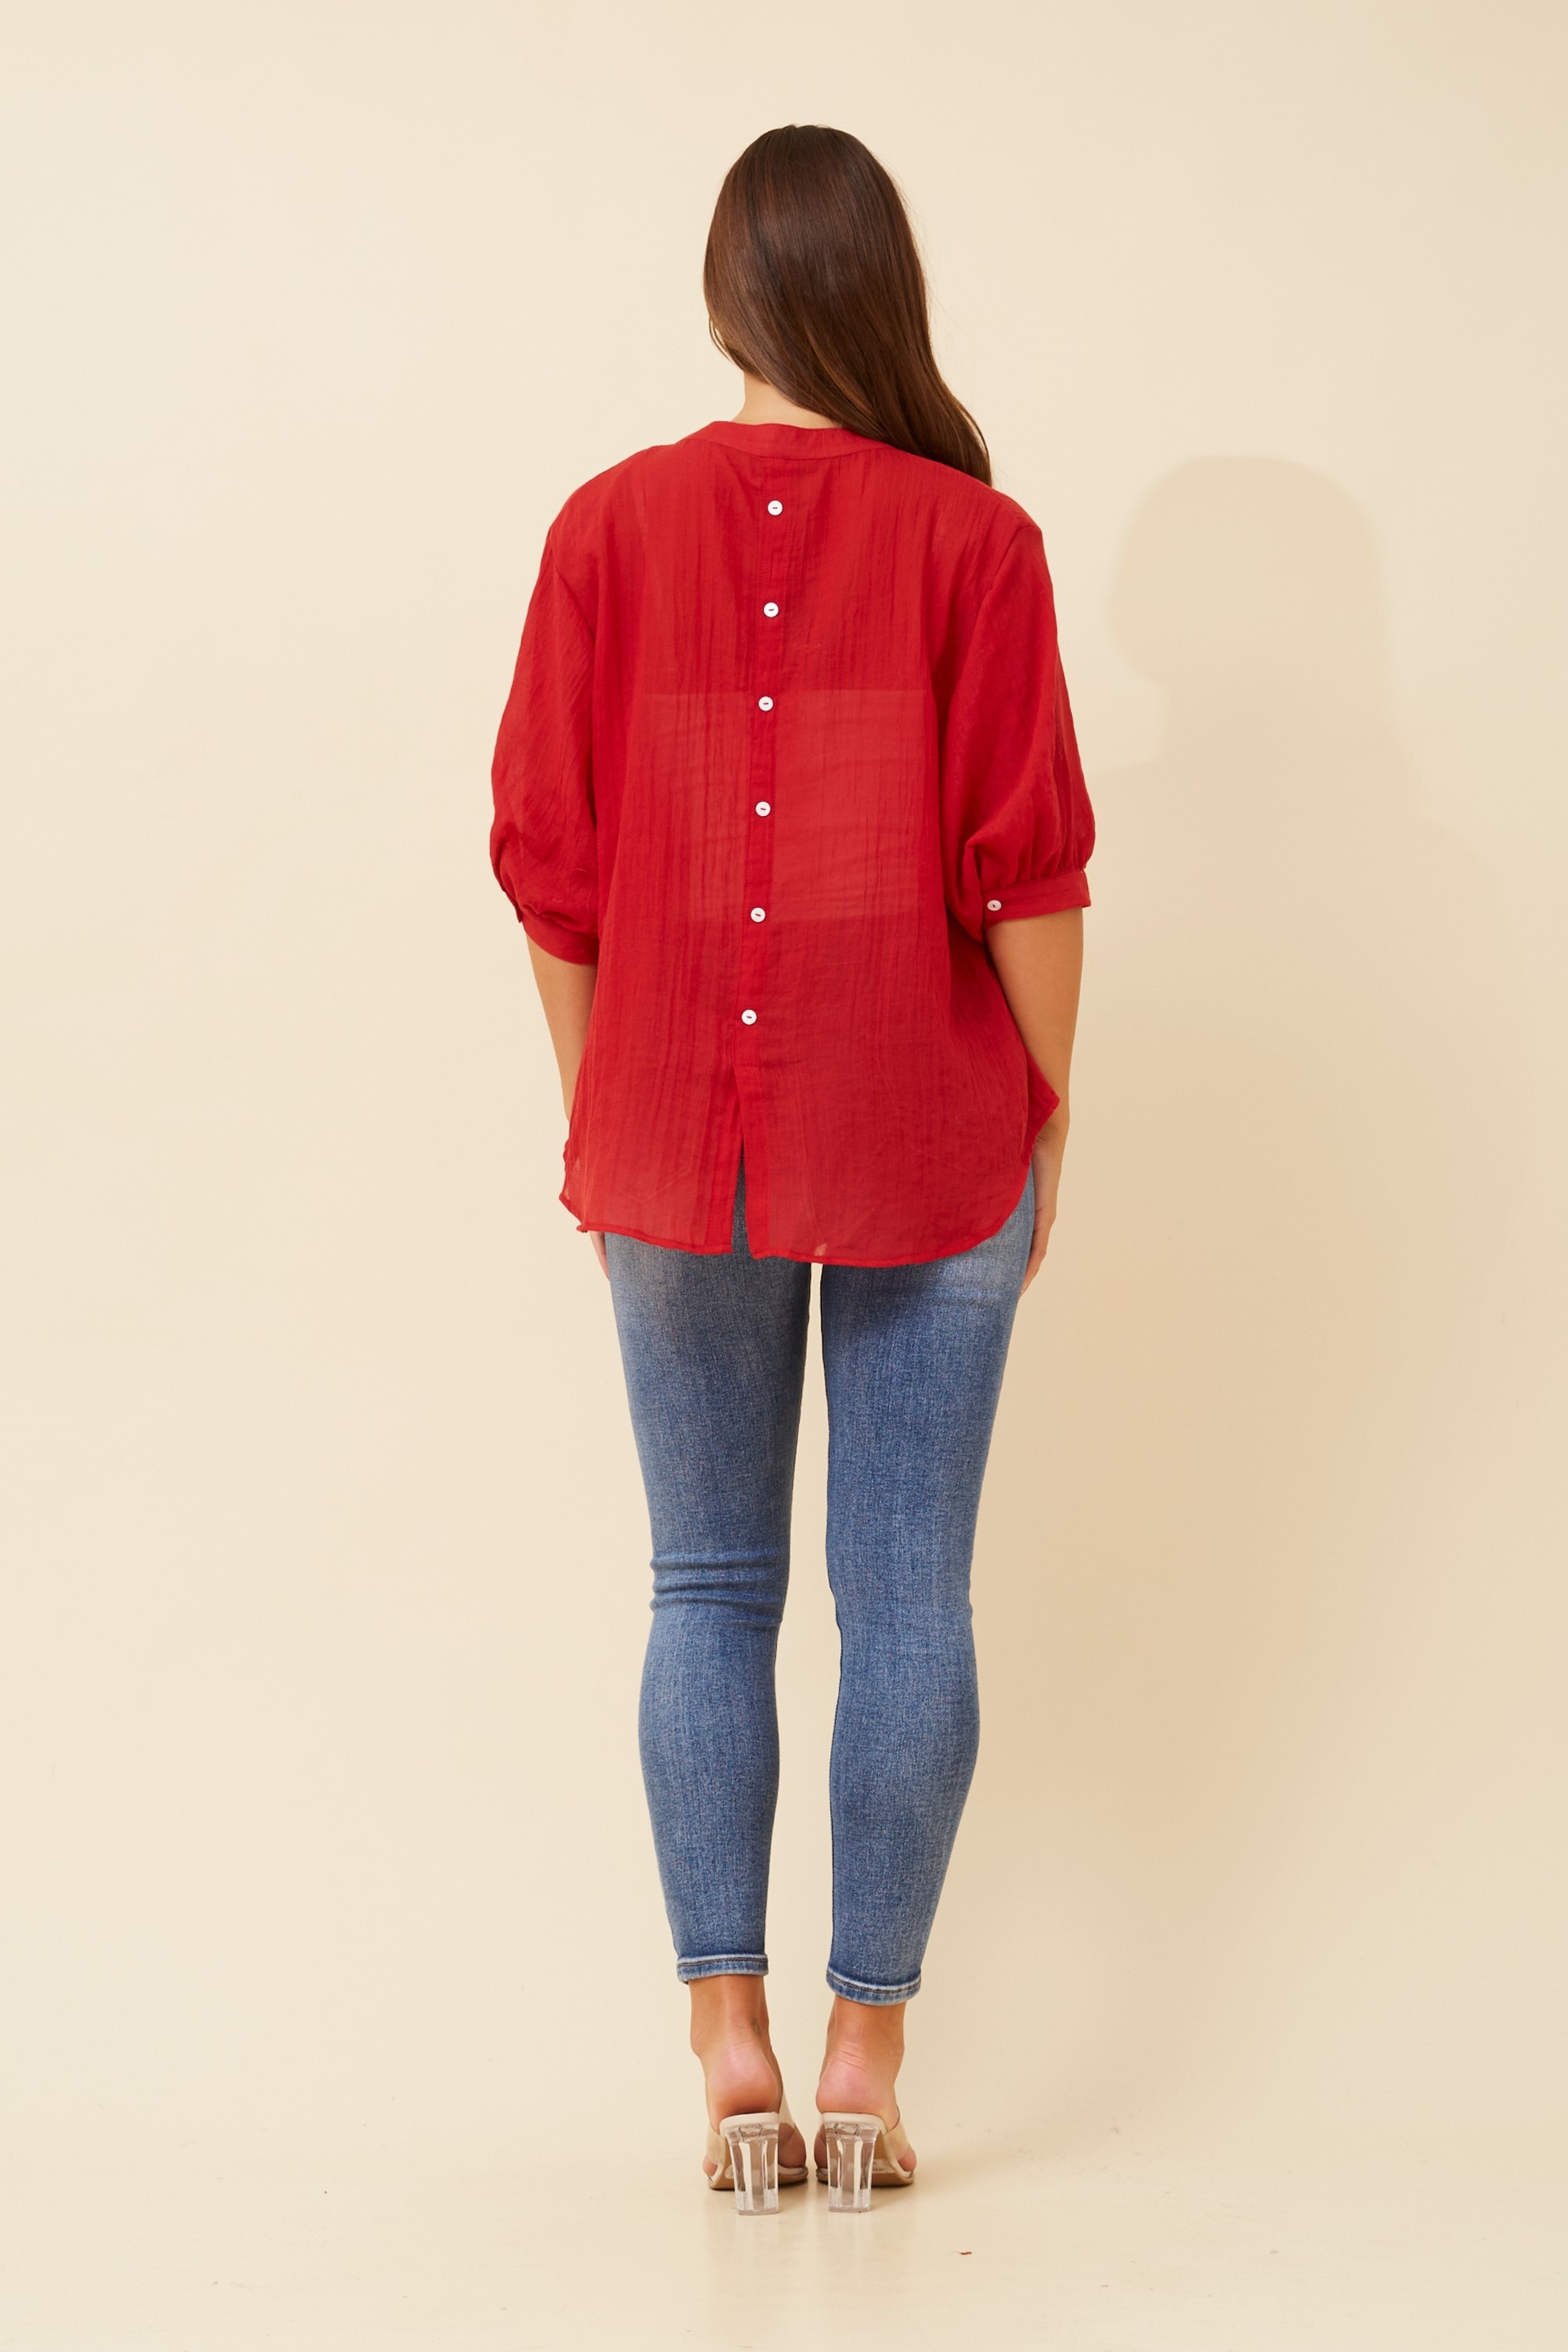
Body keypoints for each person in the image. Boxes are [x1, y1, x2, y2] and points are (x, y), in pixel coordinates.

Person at [489, 124, 1093, 2211]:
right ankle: (864, 2063)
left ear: (723, 295)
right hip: (928, 1126)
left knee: (707, 1586)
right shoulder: (974, 543)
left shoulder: (604, 528)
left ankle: (726, 2040)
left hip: (669, 1134)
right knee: (905, 1596)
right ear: (878, 291)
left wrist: (606, 1108)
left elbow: (551, 871)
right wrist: (1052, 1107)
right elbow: (1029, 868)